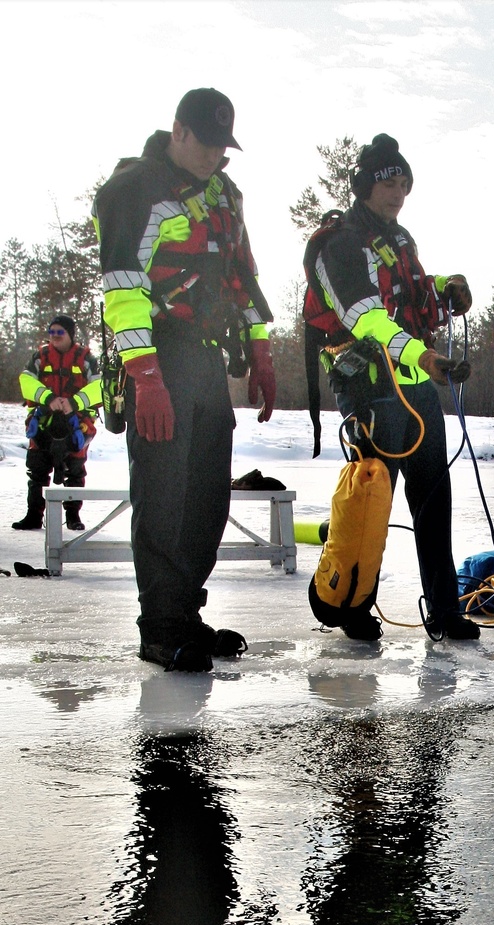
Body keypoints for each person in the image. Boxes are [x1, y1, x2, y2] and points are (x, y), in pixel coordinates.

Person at [92, 87, 276, 671]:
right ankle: (160, 626)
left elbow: (243, 275)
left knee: (205, 496)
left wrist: (262, 351)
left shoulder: (227, 193)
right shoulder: (134, 189)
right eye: (208, 144)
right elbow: (122, 287)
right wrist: (144, 376)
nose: (216, 157)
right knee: (164, 494)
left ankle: (186, 614)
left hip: (205, 360)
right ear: (179, 131)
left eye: (225, 147)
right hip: (157, 356)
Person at [305, 132, 478, 642]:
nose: (397, 192)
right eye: (388, 182)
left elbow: (416, 300)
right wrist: (422, 354)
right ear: (364, 185)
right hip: (370, 390)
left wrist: (449, 291)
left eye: (404, 182)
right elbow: (366, 319)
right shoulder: (340, 243)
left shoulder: (400, 240)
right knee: (371, 500)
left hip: (416, 388)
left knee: (433, 500)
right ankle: (352, 604)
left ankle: (444, 610)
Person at [14, 316, 101, 531]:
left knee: (75, 470)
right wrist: (48, 398)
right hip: (44, 420)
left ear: (70, 334)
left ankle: (73, 516)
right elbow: (26, 380)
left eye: (59, 332)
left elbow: (99, 386)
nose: (54, 336)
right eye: (51, 331)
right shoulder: (40, 357)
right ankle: (34, 516)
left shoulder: (87, 358)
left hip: (77, 422)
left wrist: (73, 403)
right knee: (37, 469)